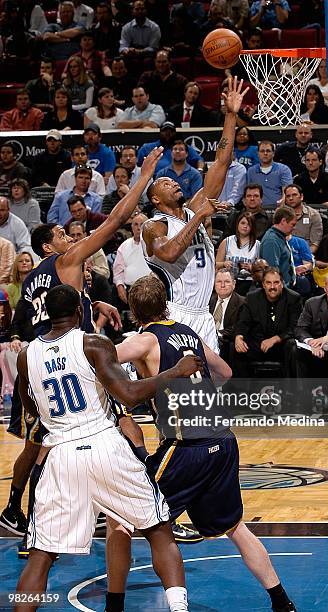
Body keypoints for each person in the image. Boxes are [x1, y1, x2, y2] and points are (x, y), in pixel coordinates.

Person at [0, 148, 162, 542]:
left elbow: (41, 313)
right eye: (59, 235)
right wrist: (142, 177)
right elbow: (118, 218)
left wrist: (94, 301)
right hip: (74, 357)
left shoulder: (38, 276)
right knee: (118, 425)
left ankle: (12, 508)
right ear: (46, 247)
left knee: (42, 439)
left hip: (38, 361)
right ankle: (141, 498)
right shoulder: (68, 260)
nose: (68, 235)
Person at [14, 284, 201, 612]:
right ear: (78, 312)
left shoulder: (26, 356)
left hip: (61, 454)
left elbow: (30, 406)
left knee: (41, 554)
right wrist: (176, 371)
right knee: (158, 529)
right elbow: (129, 394)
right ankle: (179, 608)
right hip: (103, 443)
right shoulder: (93, 344)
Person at [116, 275, 298, 612]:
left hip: (187, 446)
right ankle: (282, 601)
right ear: (165, 302)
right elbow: (226, 372)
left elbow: (104, 357)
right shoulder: (189, 333)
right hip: (223, 440)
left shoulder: (144, 341)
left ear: (133, 311)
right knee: (235, 528)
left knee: (128, 518)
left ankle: (123, 601)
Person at [141, 77, 248, 352]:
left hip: (204, 313)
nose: (174, 182)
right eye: (165, 183)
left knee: (211, 386)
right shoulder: (154, 225)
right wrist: (200, 217)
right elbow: (168, 254)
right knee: (178, 387)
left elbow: (222, 162)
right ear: (155, 199)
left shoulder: (195, 205)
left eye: (173, 181)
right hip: (174, 314)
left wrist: (231, 115)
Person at [233, 266, 301, 378]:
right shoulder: (252, 297)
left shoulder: (293, 298)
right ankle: (241, 391)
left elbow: (295, 327)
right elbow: (243, 321)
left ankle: (291, 391)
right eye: (268, 283)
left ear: (282, 284)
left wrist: (275, 339)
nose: (272, 287)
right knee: (236, 347)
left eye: (276, 282)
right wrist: (238, 337)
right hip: (258, 344)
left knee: (292, 346)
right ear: (263, 284)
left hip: (281, 346)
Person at [136, 120, 205, 175]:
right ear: (159, 132)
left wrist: (200, 171)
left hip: (179, 179)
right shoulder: (147, 148)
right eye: (164, 131)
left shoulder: (182, 148)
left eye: (171, 131)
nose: (167, 133)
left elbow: (200, 160)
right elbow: (137, 167)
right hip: (152, 179)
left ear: (175, 133)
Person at [113, 212, 150, 306]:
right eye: (136, 224)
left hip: (151, 289)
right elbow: (118, 272)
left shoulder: (154, 244)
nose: (138, 228)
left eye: (142, 224)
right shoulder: (124, 246)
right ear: (131, 227)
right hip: (130, 290)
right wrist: (120, 286)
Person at [209, 268, 245, 361]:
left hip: (226, 342)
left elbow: (237, 327)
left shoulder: (242, 302)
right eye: (219, 281)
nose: (222, 285)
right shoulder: (208, 301)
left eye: (227, 282)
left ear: (234, 284)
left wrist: (216, 335)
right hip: (207, 338)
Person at [247, 140, 293, 209]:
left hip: (279, 209)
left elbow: (287, 191)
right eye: (262, 151)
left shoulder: (284, 169)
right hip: (257, 210)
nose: (265, 153)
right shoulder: (251, 171)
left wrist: (283, 201)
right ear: (258, 154)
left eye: (268, 151)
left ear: (273, 153)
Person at [260, 206, 297, 288]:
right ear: (283, 221)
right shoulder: (271, 241)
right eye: (292, 224)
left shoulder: (279, 237)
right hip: (280, 292)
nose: (294, 228)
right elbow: (272, 272)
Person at [216, 211, 260, 279]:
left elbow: (261, 270)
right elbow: (215, 265)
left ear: (252, 227)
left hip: (249, 283)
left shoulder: (257, 245)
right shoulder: (227, 241)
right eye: (243, 223)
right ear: (238, 224)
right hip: (228, 281)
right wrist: (224, 264)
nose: (245, 226)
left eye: (249, 224)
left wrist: (252, 268)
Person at [283, 184, 323, 254]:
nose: (291, 198)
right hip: (285, 255)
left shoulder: (313, 215)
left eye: (294, 195)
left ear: (301, 197)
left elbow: (315, 244)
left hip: (306, 255)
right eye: (288, 196)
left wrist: (303, 256)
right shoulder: (281, 216)